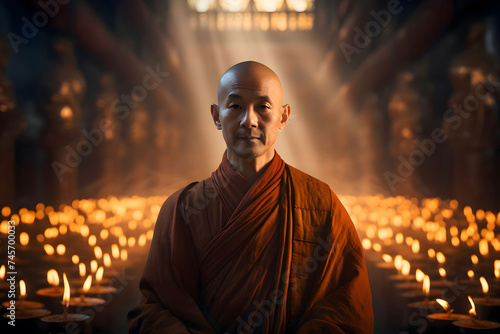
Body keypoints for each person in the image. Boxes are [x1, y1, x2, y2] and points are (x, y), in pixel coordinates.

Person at [127, 61, 373, 333]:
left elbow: (347, 306)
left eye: (263, 107)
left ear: (284, 116)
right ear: (216, 116)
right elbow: (154, 309)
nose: (249, 120)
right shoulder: (181, 210)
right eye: (235, 107)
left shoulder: (320, 203)